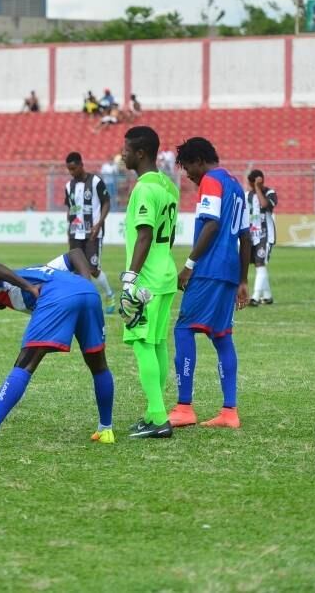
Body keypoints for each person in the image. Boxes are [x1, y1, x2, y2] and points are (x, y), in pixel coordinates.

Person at [0, 248, 114, 449]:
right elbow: (75, 254)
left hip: (57, 297)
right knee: (98, 364)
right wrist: (84, 283)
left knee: (25, 364)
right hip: (88, 293)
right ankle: (105, 429)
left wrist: (28, 288)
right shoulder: (38, 270)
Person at [168, 137, 251, 430]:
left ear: (200, 160)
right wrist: (242, 279)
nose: (188, 174)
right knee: (222, 336)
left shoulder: (212, 181)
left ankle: (184, 407)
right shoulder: (237, 186)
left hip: (209, 270)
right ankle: (229, 412)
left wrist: (189, 265)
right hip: (229, 273)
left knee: (183, 328)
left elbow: (212, 224)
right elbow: (246, 237)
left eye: (188, 166)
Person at [118, 126, 180, 438]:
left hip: (148, 280)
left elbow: (145, 234)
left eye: (126, 149)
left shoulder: (143, 189)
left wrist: (130, 278)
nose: (122, 154)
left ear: (140, 153)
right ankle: (152, 412)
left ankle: (158, 419)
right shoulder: (169, 186)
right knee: (157, 343)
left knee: (142, 342)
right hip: (165, 274)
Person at [64, 152, 116, 313]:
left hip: (93, 231)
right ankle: (83, 301)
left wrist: (99, 223)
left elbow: (107, 202)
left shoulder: (95, 182)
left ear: (81, 165)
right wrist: (69, 229)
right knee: (76, 269)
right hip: (75, 232)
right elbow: (70, 208)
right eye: (69, 170)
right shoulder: (68, 186)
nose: (72, 172)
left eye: (74, 168)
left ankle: (109, 294)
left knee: (92, 269)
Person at [246, 169, 278, 306]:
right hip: (252, 234)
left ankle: (255, 297)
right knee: (256, 264)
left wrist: (258, 188)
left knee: (260, 263)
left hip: (266, 234)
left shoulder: (270, 193)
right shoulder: (247, 195)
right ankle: (267, 295)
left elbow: (265, 206)